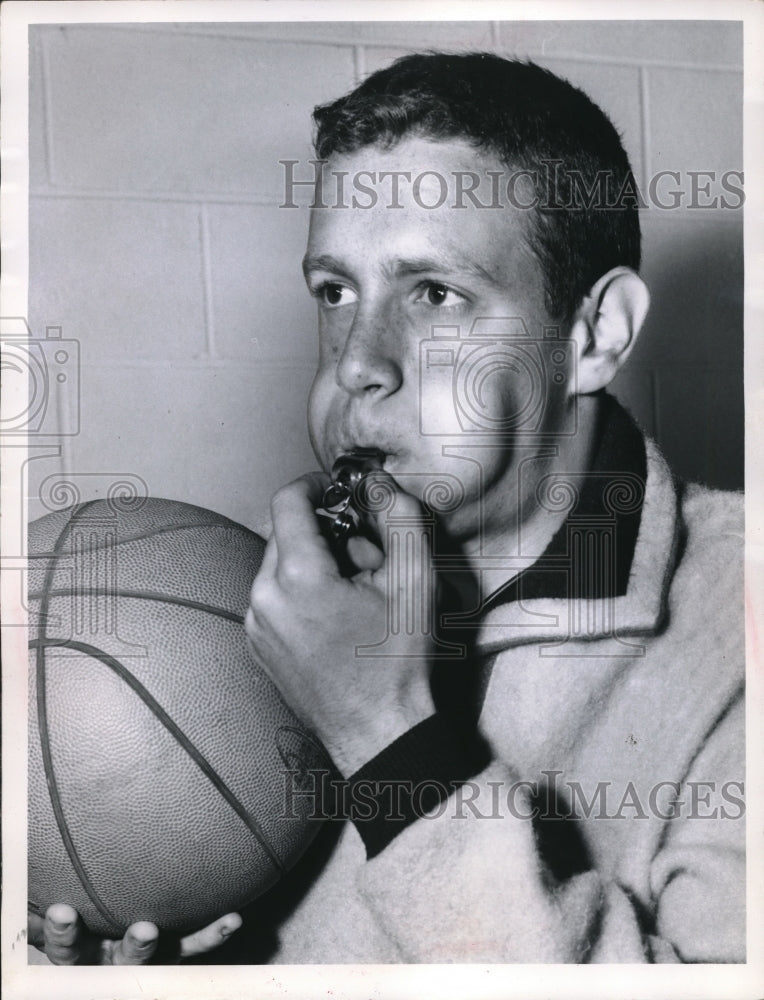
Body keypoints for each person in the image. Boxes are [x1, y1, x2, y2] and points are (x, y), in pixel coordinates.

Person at [31, 52, 744, 965]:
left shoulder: (737, 634)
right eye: (336, 292)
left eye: (435, 294)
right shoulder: (265, 597)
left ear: (595, 335)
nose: (358, 361)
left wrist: (390, 741)